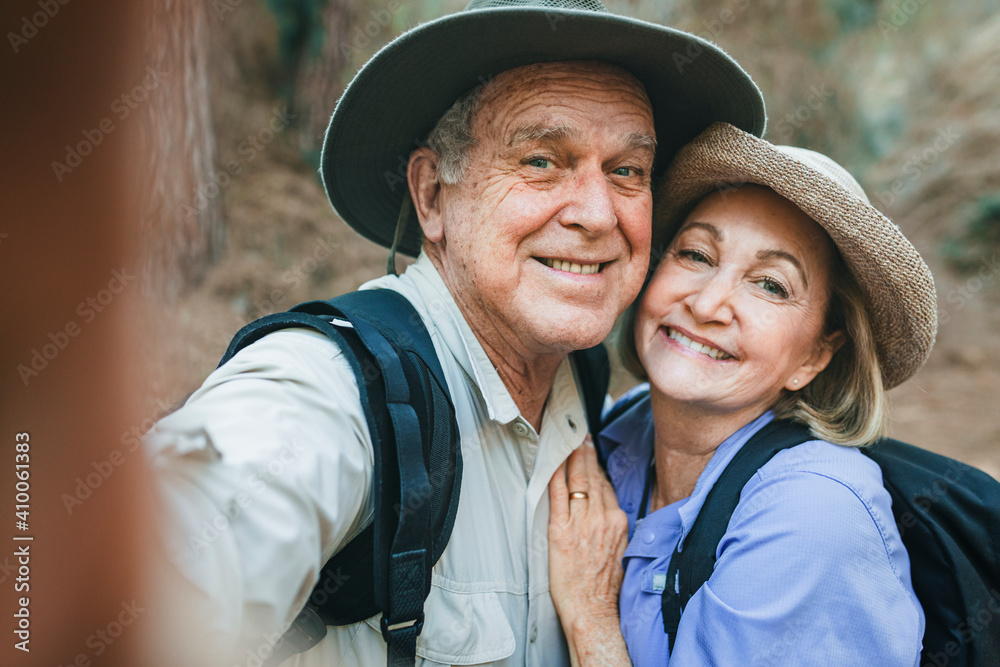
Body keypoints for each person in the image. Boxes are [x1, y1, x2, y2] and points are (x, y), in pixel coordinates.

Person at [146, 1, 766, 665]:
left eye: (627, 172)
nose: (595, 213)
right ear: (433, 197)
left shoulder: (586, 391)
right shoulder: (331, 393)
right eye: (540, 160)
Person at [548, 121, 937, 665]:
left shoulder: (813, 516)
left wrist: (590, 619)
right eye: (696, 255)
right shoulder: (623, 428)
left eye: (771, 285)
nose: (707, 305)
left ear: (815, 357)